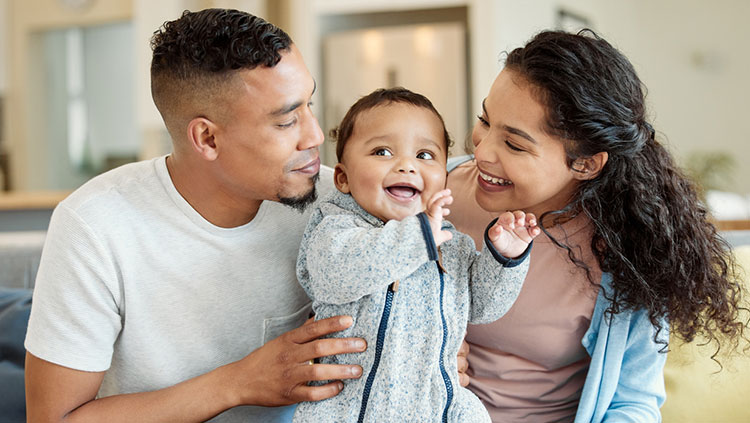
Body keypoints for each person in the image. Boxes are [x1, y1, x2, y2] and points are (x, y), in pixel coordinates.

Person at [24, 9, 368, 423]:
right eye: (286, 120)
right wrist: (238, 382)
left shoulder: (340, 201)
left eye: (309, 104)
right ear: (207, 137)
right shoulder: (94, 226)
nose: (315, 135)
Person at [447, 30, 746, 422]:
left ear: (585, 163)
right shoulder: (431, 194)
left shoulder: (627, 252)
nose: (481, 151)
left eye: (515, 145)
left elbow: (634, 404)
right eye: (485, 120)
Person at [292, 87, 540, 422]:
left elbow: (481, 307)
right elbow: (338, 276)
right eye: (382, 151)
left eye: (425, 156)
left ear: (444, 178)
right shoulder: (337, 231)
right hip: (350, 409)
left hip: (436, 405)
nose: (407, 166)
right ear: (343, 177)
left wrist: (504, 257)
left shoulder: (451, 244)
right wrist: (418, 237)